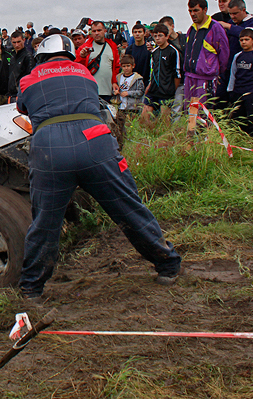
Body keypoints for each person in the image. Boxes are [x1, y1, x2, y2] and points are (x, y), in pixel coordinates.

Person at [15, 34, 182, 301]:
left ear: (41, 57)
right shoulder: (83, 72)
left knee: (45, 223)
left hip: (50, 148)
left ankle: (31, 289)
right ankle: (167, 264)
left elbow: (22, 105)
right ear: (70, 55)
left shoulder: (29, 77)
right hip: (95, 140)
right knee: (128, 207)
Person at [183, 0, 229, 129]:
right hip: (189, 76)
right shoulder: (191, 30)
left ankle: (205, 141)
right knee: (190, 112)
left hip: (206, 78)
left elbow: (224, 54)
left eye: (196, 10)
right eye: (190, 11)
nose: (192, 14)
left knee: (203, 112)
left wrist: (216, 72)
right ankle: (191, 139)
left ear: (205, 10)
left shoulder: (215, 28)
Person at [227, 28, 253, 138]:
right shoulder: (237, 56)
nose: (244, 42)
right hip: (238, 92)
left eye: (247, 39)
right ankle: (239, 138)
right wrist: (230, 90)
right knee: (237, 118)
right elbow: (233, 74)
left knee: (252, 119)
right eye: (241, 40)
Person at [141, 23, 181, 122]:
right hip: (153, 89)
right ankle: (148, 136)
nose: (157, 38)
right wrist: (150, 85)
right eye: (155, 36)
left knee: (164, 121)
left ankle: (165, 137)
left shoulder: (173, 51)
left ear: (167, 36)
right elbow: (152, 70)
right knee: (144, 117)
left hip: (166, 91)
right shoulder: (154, 52)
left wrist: (172, 90)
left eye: (160, 36)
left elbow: (177, 73)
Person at [76, 21, 120, 102]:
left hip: (107, 90)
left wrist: (114, 82)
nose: (96, 33)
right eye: (94, 31)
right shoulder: (85, 48)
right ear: (91, 32)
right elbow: (77, 68)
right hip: (90, 90)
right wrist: (82, 57)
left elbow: (116, 67)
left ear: (105, 31)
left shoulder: (112, 46)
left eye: (99, 30)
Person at [7, 30, 35, 101]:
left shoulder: (28, 56)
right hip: (11, 94)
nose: (17, 45)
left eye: (19, 42)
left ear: (23, 40)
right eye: (14, 42)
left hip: (22, 94)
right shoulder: (12, 56)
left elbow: (31, 77)